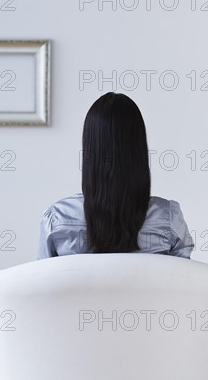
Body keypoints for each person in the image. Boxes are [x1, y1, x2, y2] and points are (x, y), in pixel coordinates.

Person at [37, 92, 194, 259]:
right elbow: (184, 281)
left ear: (90, 149)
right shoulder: (168, 217)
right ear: (139, 150)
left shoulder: (57, 218)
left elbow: (44, 281)